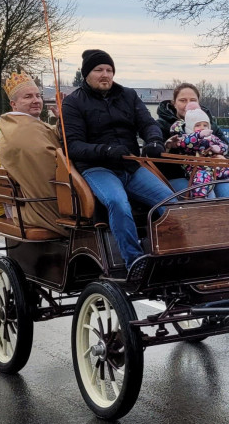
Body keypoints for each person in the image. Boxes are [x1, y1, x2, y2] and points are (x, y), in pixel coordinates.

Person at [61, 49, 174, 274]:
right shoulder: (73, 103)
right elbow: (72, 146)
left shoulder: (128, 95)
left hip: (130, 166)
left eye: (109, 70)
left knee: (170, 202)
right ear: (86, 74)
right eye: (99, 70)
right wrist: (106, 150)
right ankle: (134, 261)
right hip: (96, 168)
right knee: (117, 202)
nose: (105, 75)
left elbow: (148, 123)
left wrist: (154, 141)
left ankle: (170, 252)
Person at [0, 73, 69, 236]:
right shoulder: (23, 130)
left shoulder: (25, 124)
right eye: (28, 97)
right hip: (36, 209)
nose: (36, 100)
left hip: (27, 203)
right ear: (13, 104)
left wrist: (63, 119)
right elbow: (52, 169)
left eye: (38, 96)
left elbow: (52, 136)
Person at [156, 82, 229, 197]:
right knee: (207, 196)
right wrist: (168, 147)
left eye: (193, 100)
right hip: (177, 176)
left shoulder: (208, 125)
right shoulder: (162, 125)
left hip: (213, 173)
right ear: (174, 103)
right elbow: (152, 155)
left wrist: (223, 158)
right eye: (183, 100)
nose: (188, 104)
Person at [169, 103, 229, 198]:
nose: (202, 128)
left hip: (215, 167)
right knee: (202, 182)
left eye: (205, 125)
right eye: (198, 125)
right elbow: (187, 143)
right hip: (197, 169)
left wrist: (219, 148)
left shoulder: (212, 138)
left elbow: (225, 146)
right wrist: (198, 136)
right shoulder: (185, 138)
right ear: (189, 128)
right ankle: (200, 200)